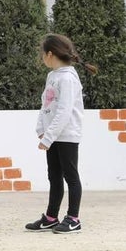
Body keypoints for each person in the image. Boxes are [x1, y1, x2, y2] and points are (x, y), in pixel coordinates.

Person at [25, 33, 98, 234]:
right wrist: (41, 130)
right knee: (54, 176)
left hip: (66, 135)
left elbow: (64, 111)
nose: (42, 58)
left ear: (50, 54)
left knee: (71, 177)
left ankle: (73, 218)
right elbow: (46, 105)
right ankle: (50, 217)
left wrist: (49, 137)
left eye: (42, 54)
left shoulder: (68, 79)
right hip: (53, 136)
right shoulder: (52, 76)